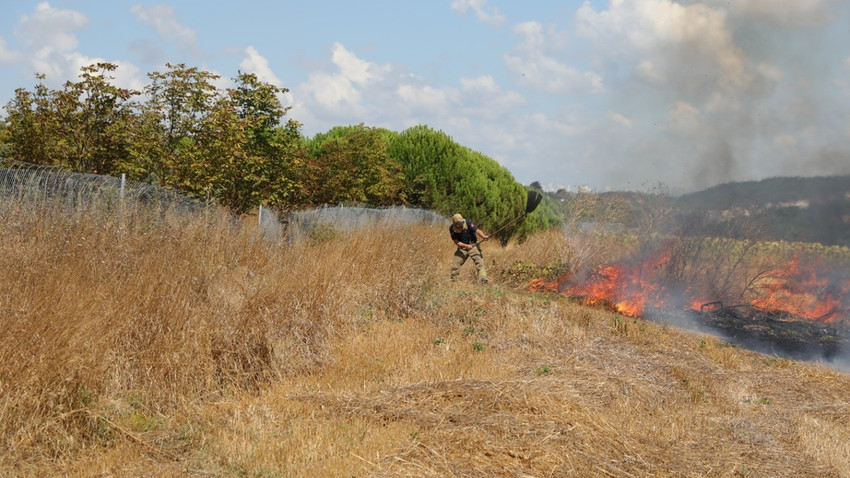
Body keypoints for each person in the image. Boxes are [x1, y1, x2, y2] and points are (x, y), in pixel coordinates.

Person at [449, 213, 490, 283]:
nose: (461, 224)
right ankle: (454, 280)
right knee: (455, 264)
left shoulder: (468, 223)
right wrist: (466, 246)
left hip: (473, 245)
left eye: (461, 222)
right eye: (459, 223)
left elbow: (477, 231)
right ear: (455, 223)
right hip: (462, 248)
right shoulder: (452, 229)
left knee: (479, 261)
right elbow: (457, 242)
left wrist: (483, 236)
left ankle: (483, 279)